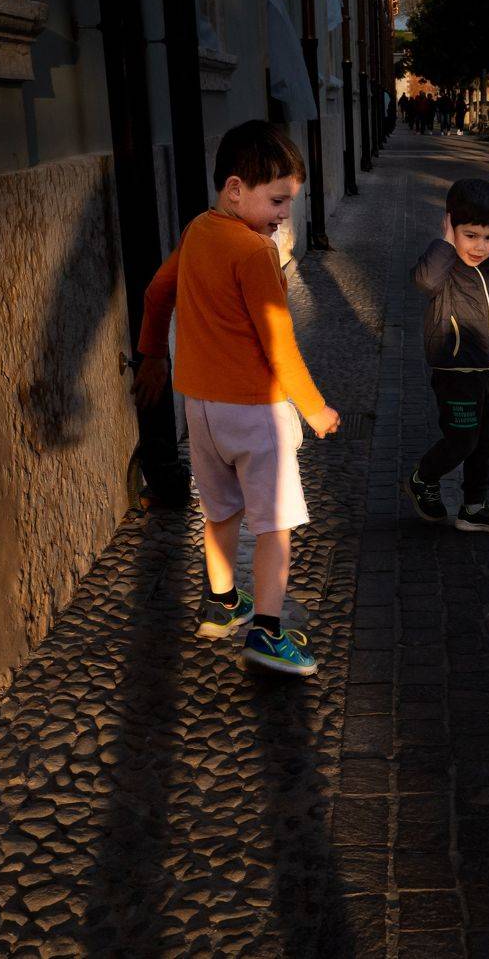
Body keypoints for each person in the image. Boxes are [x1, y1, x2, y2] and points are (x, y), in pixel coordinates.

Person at [133, 120, 340, 676]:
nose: (282, 216)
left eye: (288, 204)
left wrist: (153, 353)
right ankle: (268, 634)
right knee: (273, 525)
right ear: (234, 188)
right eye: (276, 201)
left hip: (199, 408)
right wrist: (313, 407)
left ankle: (222, 603)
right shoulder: (254, 254)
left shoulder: (199, 230)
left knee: (219, 511)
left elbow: (157, 292)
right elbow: (279, 344)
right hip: (255, 411)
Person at [404, 179, 489, 533]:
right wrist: (445, 242)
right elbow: (425, 281)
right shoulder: (444, 266)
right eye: (470, 235)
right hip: (455, 372)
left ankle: (474, 508)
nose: (480, 246)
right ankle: (423, 478)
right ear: (451, 226)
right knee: (463, 440)